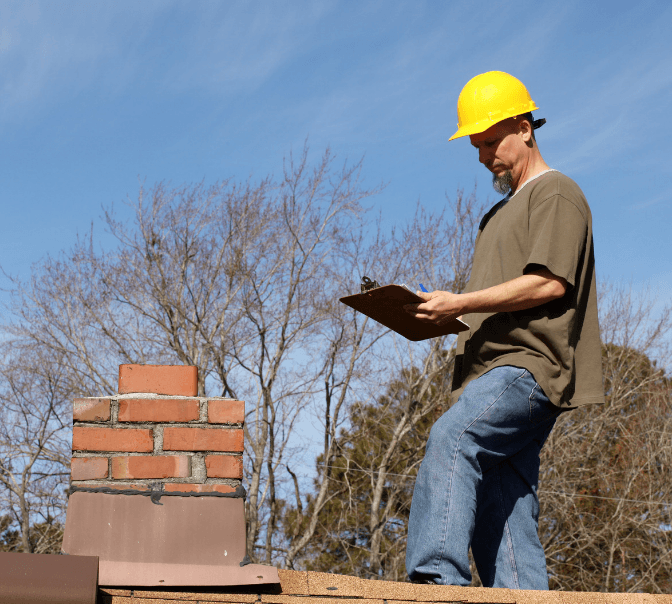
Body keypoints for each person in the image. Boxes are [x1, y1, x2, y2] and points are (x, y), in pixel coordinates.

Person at [404, 71, 604, 590]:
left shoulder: (556, 192)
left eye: (492, 141)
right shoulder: (496, 215)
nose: (483, 156)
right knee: (503, 497)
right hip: (490, 369)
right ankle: (522, 596)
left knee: (453, 437)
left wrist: (464, 301)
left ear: (525, 127)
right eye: (476, 146)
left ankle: (436, 581)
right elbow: (498, 300)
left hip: (528, 366)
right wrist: (444, 314)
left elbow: (549, 284)